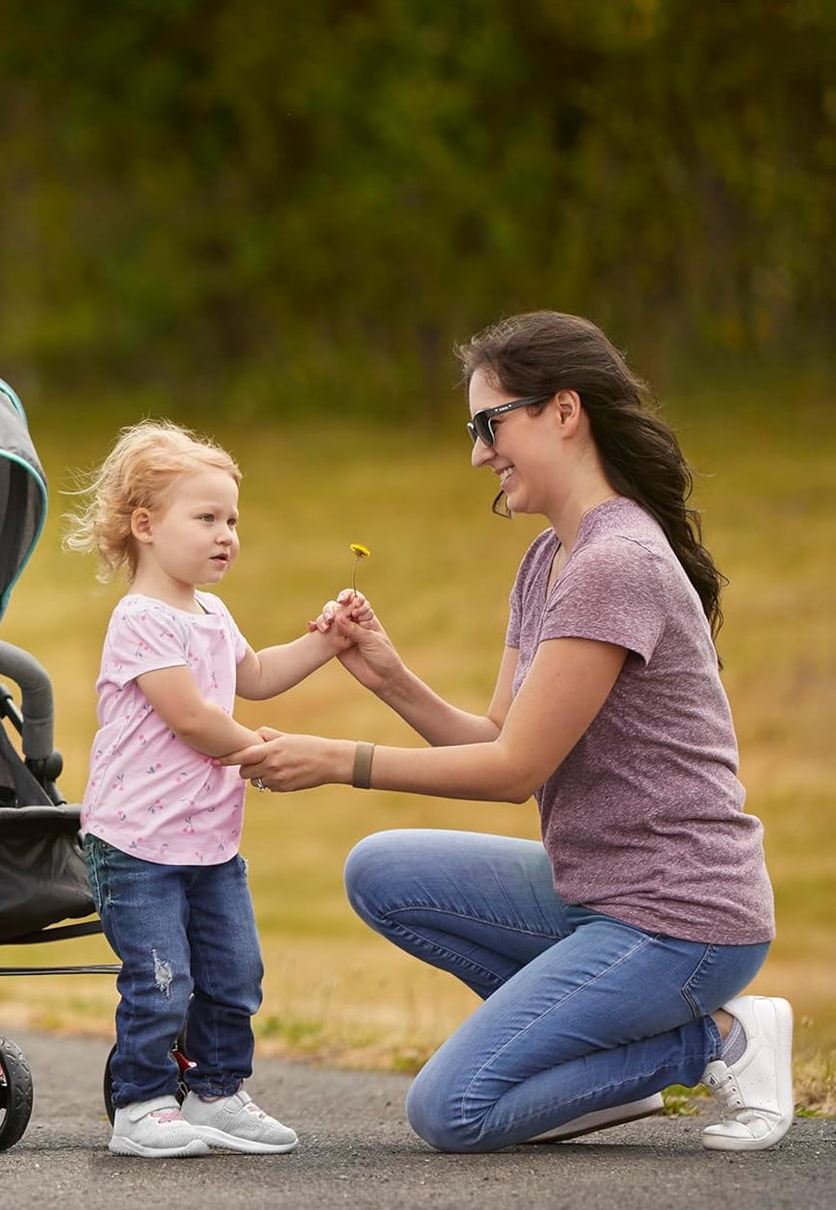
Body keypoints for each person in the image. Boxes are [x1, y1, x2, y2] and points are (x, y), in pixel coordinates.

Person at [231, 310, 792, 1154]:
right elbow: (496, 732)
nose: (476, 452)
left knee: (451, 1111)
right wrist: (385, 674)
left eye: (488, 424)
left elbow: (510, 769)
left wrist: (338, 761)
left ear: (561, 412)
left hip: (678, 921)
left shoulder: (614, 563)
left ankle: (715, 1038)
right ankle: (598, 1066)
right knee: (381, 870)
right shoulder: (547, 559)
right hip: (595, 890)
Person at [64, 419, 352, 1158]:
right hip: (135, 845)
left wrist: (324, 642)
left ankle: (218, 1091)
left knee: (233, 972)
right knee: (162, 980)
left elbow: (251, 677)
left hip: (209, 841)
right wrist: (261, 748)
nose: (226, 534)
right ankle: (140, 1105)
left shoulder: (210, 612)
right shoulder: (141, 620)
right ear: (145, 525)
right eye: (207, 518)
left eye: (232, 520)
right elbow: (192, 717)